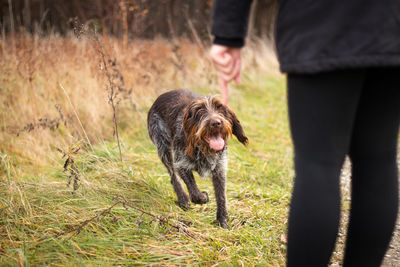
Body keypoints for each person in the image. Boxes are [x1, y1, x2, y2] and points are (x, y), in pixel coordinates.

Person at [209, 0, 400, 266]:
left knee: (318, 165)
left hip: (319, 22)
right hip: (390, 24)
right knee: (377, 160)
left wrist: (228, 31)